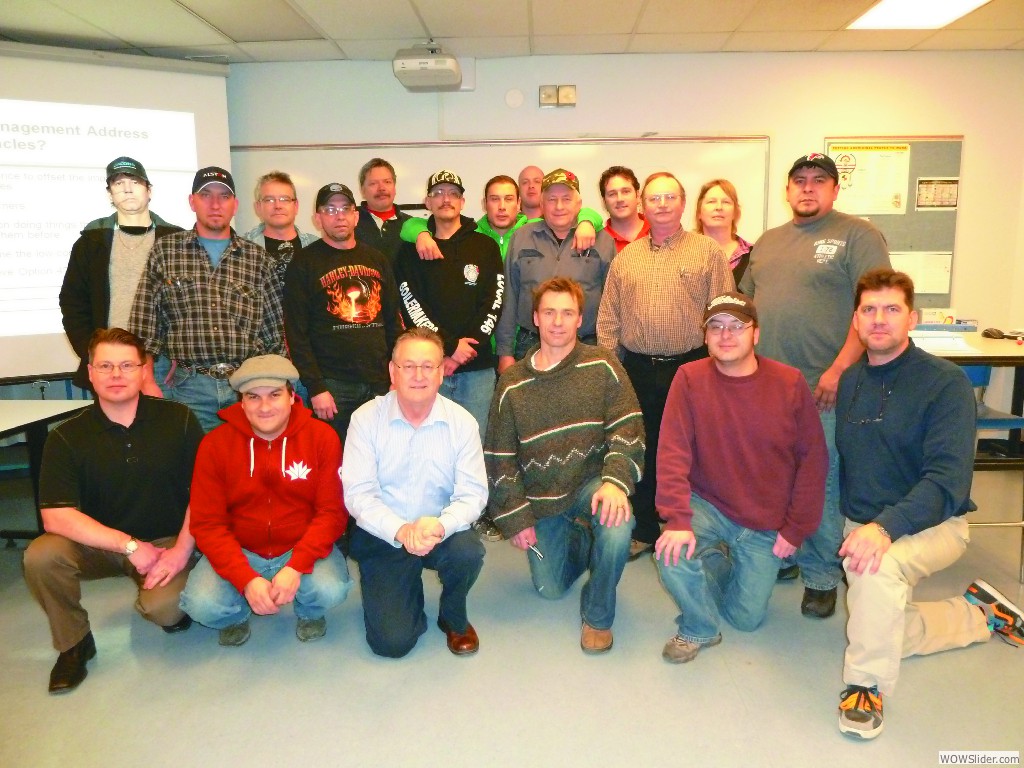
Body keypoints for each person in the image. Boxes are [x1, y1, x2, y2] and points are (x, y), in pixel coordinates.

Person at [834, 268, 1023, 740]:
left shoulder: (945, 384)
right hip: (862, 522)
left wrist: (883, 529)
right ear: (855, 321)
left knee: (873, 576)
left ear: (912, 318)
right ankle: (979, 614)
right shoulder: (851, 380)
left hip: (932, 524)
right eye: (869, 310)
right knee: (878, 620)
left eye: (892, 309)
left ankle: (864, 685)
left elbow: (948, 481)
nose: (880, 320)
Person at [738, 153, 890, 619]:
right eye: (799, 181)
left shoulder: (856, 235)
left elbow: (875, 306)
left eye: (818, 181)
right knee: (773, 475)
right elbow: (747, 306)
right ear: (787, 191)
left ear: (834, 190)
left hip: (825, 385)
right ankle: (784, 552)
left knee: (819, 481)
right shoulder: (768, 241)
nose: (808, 188)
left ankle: (821, 574)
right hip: (768, 385)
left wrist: (840, 367)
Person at [24, 327, 203, 694]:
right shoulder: (66, 436)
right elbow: (56, 517)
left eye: (126, 365)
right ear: (89, 373)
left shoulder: (179, 420)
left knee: (165, 610)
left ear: (143, 371)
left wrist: (181, 550)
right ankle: (74, 644)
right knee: (41, 556)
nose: (116, 375)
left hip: (166, 541)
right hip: (103, 544)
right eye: (105, 366)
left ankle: (163, 595)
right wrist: (130, 546)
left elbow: (205, 495)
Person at [654, 293, 827, 663]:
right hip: (709, 504)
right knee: (669, 552)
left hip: (765, 519)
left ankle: (717, 562)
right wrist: (677, 519)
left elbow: (813, 461)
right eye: (716, 326)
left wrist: (796, 529)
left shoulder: (789, 383)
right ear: (706, 337)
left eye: (737, 326)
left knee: (745, 619)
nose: (726, 335)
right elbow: (672, 451)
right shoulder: (689, 378)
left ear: (756, 334)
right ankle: (698, 627)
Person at [485, 278, 645, 653]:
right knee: (550, 589)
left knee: (620, 524)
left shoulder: (602, 365)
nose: (558, 321)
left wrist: (616, 481)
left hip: (593, 484)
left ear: (579, 319)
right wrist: (516, 517)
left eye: (567, 313)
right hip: (542, 498)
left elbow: (629, 426)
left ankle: (598, 615)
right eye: (550, 312)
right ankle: (584, 540)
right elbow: (499, 458)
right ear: (536, 319)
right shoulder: (511, 384)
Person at [597, 172, 734, 560]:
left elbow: (724, 312)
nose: (661, 205)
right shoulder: (627, 258)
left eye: (669, 197)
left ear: (682, 201)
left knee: (693, 450)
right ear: (643, 204)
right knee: (641, 446)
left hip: (692, 367)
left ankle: (689, 527)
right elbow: (608, 320)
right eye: (653, 198)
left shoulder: (707, 252)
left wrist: (721, 368)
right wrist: (612, 369)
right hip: (637, 368)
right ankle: (641, 527)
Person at [180, 354, 351, 646]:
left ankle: (309, 611)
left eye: (274, 395)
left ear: (292, 397)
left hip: (299, 545)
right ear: (241, 402)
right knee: (203, 606)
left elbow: (332, 513)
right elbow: (207, 523)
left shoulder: (322, 437)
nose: (265, 406)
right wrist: (246, 579)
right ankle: (236, 616)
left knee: (329, 590)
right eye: (253, 397)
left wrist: (296, 566)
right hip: (241, 547)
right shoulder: (215, 445)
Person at [342, 328, 487, 658]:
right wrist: (401, 530)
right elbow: (358, 494)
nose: (418, 375)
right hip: (386, 532)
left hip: (439, 528)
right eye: (408, 366)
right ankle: (403, 593)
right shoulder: (365, 420)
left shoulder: (462, 423)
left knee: (468, 553)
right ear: (392, 372)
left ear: (441, 372)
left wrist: (440, 525)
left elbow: (473, 494)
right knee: (392, 644)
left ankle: (452, 616)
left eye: (428, 366)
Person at [129, 166, 285, 433]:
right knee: (191, 469)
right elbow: (144, 326)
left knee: (245, 470)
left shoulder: (257, 259)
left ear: (235, 205)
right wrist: (146, 382)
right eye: (206, 195)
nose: (215, 204)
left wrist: (274, 390)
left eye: (224, 197)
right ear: (192, 201)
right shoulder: (166, 252)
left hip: (246, 388)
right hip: (187, 390)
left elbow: (275, 334)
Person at [395, 171, 504, 542]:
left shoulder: (485, 247)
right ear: (427, 202)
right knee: (431, 443)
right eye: (438, 193)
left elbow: (494, 299)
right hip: (429, 368)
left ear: (462, 200)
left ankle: (476, 512)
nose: (445, 199)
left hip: (477, 366)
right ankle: (434, 515)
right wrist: (445, 348)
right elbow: (409, 301)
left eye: (453, 193)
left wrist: (464, 348)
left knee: (474, 442)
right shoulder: (410, 250)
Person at [283, 182, 402, 445]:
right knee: (336, 461)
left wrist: (397, 376)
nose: (339, 216)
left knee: (382, 455)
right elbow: (296, 333)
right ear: (318, 218)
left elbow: (394, 322)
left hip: (379, 382)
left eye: (346, 209)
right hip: (333, 386)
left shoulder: (377, 259)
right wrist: (316, 387)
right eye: (330, 209)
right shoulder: (304, 263)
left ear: (356, 215)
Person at [60, 156, 181, 394]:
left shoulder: (176, 240)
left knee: (165, 429)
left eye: (134, 182)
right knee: (114, 430)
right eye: (118, 183)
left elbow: (192, 304)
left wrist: (182, 355)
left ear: (149, 191)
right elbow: (73, 303)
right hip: (111, 363)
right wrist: (92, 353)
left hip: (164, 365)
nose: (127, 189)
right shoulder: (91, 243)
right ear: (110, 194)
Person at [496, 169, 616, 373]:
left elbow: (613, 303)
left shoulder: (602, 242)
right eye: (552, 199)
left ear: (579, 204)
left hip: (587, 346)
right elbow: (508, 297)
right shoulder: (521, 238)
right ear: (541, 204)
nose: (559, 206)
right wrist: (505, 352)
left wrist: (609, 351)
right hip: (530, 345)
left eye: (566, 199)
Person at [241, 169, 320, 281]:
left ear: (296, 205)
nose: (278, 206)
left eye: (284, 199)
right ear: (258, 207)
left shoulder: (316, 246)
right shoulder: (242, 249)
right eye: (269, 200)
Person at [694, 179, 753, 283]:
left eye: (726, 202)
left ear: (735, 212)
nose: (719, 207)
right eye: (711, 202)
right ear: (699, 212)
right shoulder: (684, 254)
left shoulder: (753, 255)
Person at [353, 157, 410, 264]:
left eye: (387, 182)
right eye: (373, 183)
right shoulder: (349, 222)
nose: (381, 188)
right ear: (363, 191)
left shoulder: (411, 224)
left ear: (394, 187)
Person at [598, 165, 649, 252]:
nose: (619, 199)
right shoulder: (598, 243)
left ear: (638, 196)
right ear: (604, 202)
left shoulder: (658, 231)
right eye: (612, 194)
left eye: (626, 191)